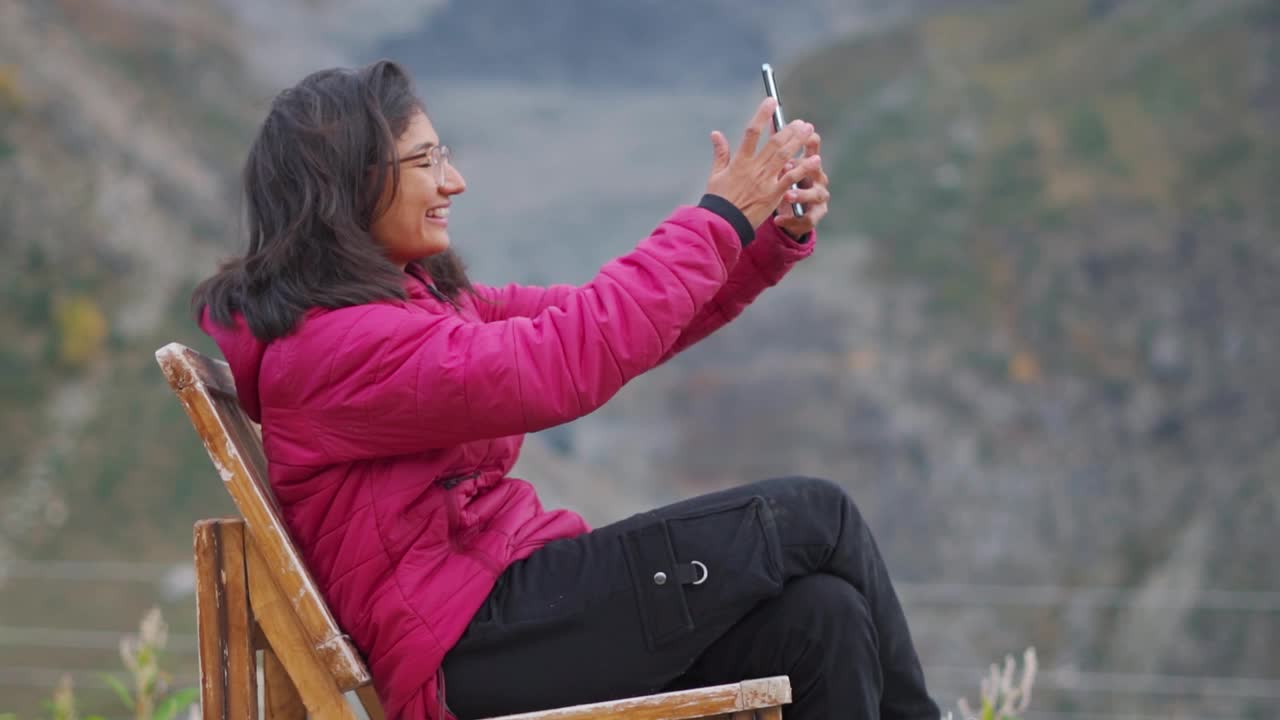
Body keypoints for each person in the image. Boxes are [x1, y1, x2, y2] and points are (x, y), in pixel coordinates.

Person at [193, 60, 939, 720]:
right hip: (472, 643)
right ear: (347, 191)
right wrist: (717, 220)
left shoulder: (406, 311)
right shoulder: (340, 347)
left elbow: (611, 325)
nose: (453, 181)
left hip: (509, 612)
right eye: (425, 161)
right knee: (817, 515)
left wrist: (759, 236)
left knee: (822, 618)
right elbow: (564, 359)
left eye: (444, 155)